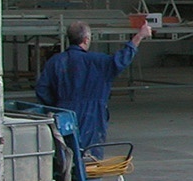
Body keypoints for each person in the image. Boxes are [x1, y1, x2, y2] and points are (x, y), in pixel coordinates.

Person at [35, 20, 152, 156]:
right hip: (91, 116)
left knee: (64, 156)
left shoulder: (55, 62)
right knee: (90, 157)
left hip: (63, 113)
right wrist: (139, 36)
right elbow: (120, 60)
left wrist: (56, 106)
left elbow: (42, 89)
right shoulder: (97, 61)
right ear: (86, 40)